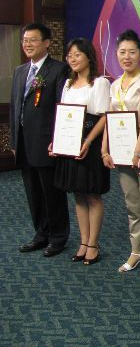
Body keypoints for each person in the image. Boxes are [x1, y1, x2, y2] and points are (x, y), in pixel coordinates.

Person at [101, 29, 140, 278]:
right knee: (132, 204)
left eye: (132, 52)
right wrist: (105, 148)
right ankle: (137, 250)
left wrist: (138, 150)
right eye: (122, 52)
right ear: (116, 54)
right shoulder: (115, 84)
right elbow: (110, 118)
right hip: (122, 151)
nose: (126, 57)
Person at [9, 23, 70, 257]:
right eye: (25, 40)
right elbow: (16, 108)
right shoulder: (20, 71)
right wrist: (14, 141)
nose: (27, 44)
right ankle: (41, 234)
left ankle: (58, 236)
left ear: (46, 43)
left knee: (51, 193)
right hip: (24, 143)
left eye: (33, 40)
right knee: (33, 193)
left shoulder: (59, 70)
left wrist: (58, 139)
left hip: (46, 143)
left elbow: (62, 109)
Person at [53, 38, 111, 265]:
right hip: (70, 143)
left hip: (91, 143)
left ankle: (94, 244)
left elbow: (104, 116)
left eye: (77, 54)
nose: (72, 59)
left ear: (89, 56)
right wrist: (56, 141)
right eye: (69, 55)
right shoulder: (68, 83)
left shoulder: (99, 82)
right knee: (78, 193)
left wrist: (87, 141)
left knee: (92, 194)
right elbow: (64, 116)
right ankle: (84, 242)